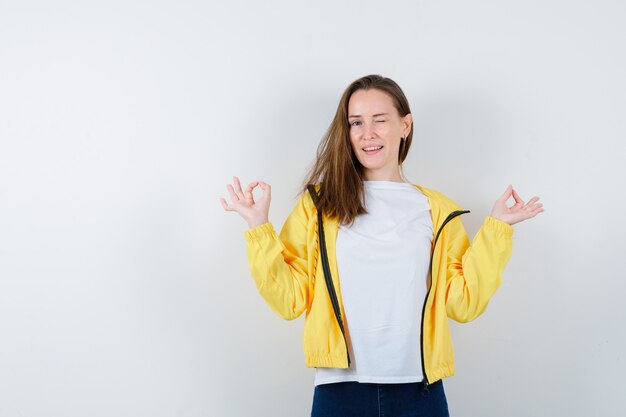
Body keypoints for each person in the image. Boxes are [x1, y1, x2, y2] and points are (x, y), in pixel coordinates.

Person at [220, 74, 544, 417]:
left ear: (405, 125)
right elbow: (289, 300)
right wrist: (258, 226)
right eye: (356, 122)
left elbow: (463, 303)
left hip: (421, 393)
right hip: (339, 391)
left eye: (380, 120)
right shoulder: (319, 206)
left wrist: (497, 228)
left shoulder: (438, 212)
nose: (367, 133)